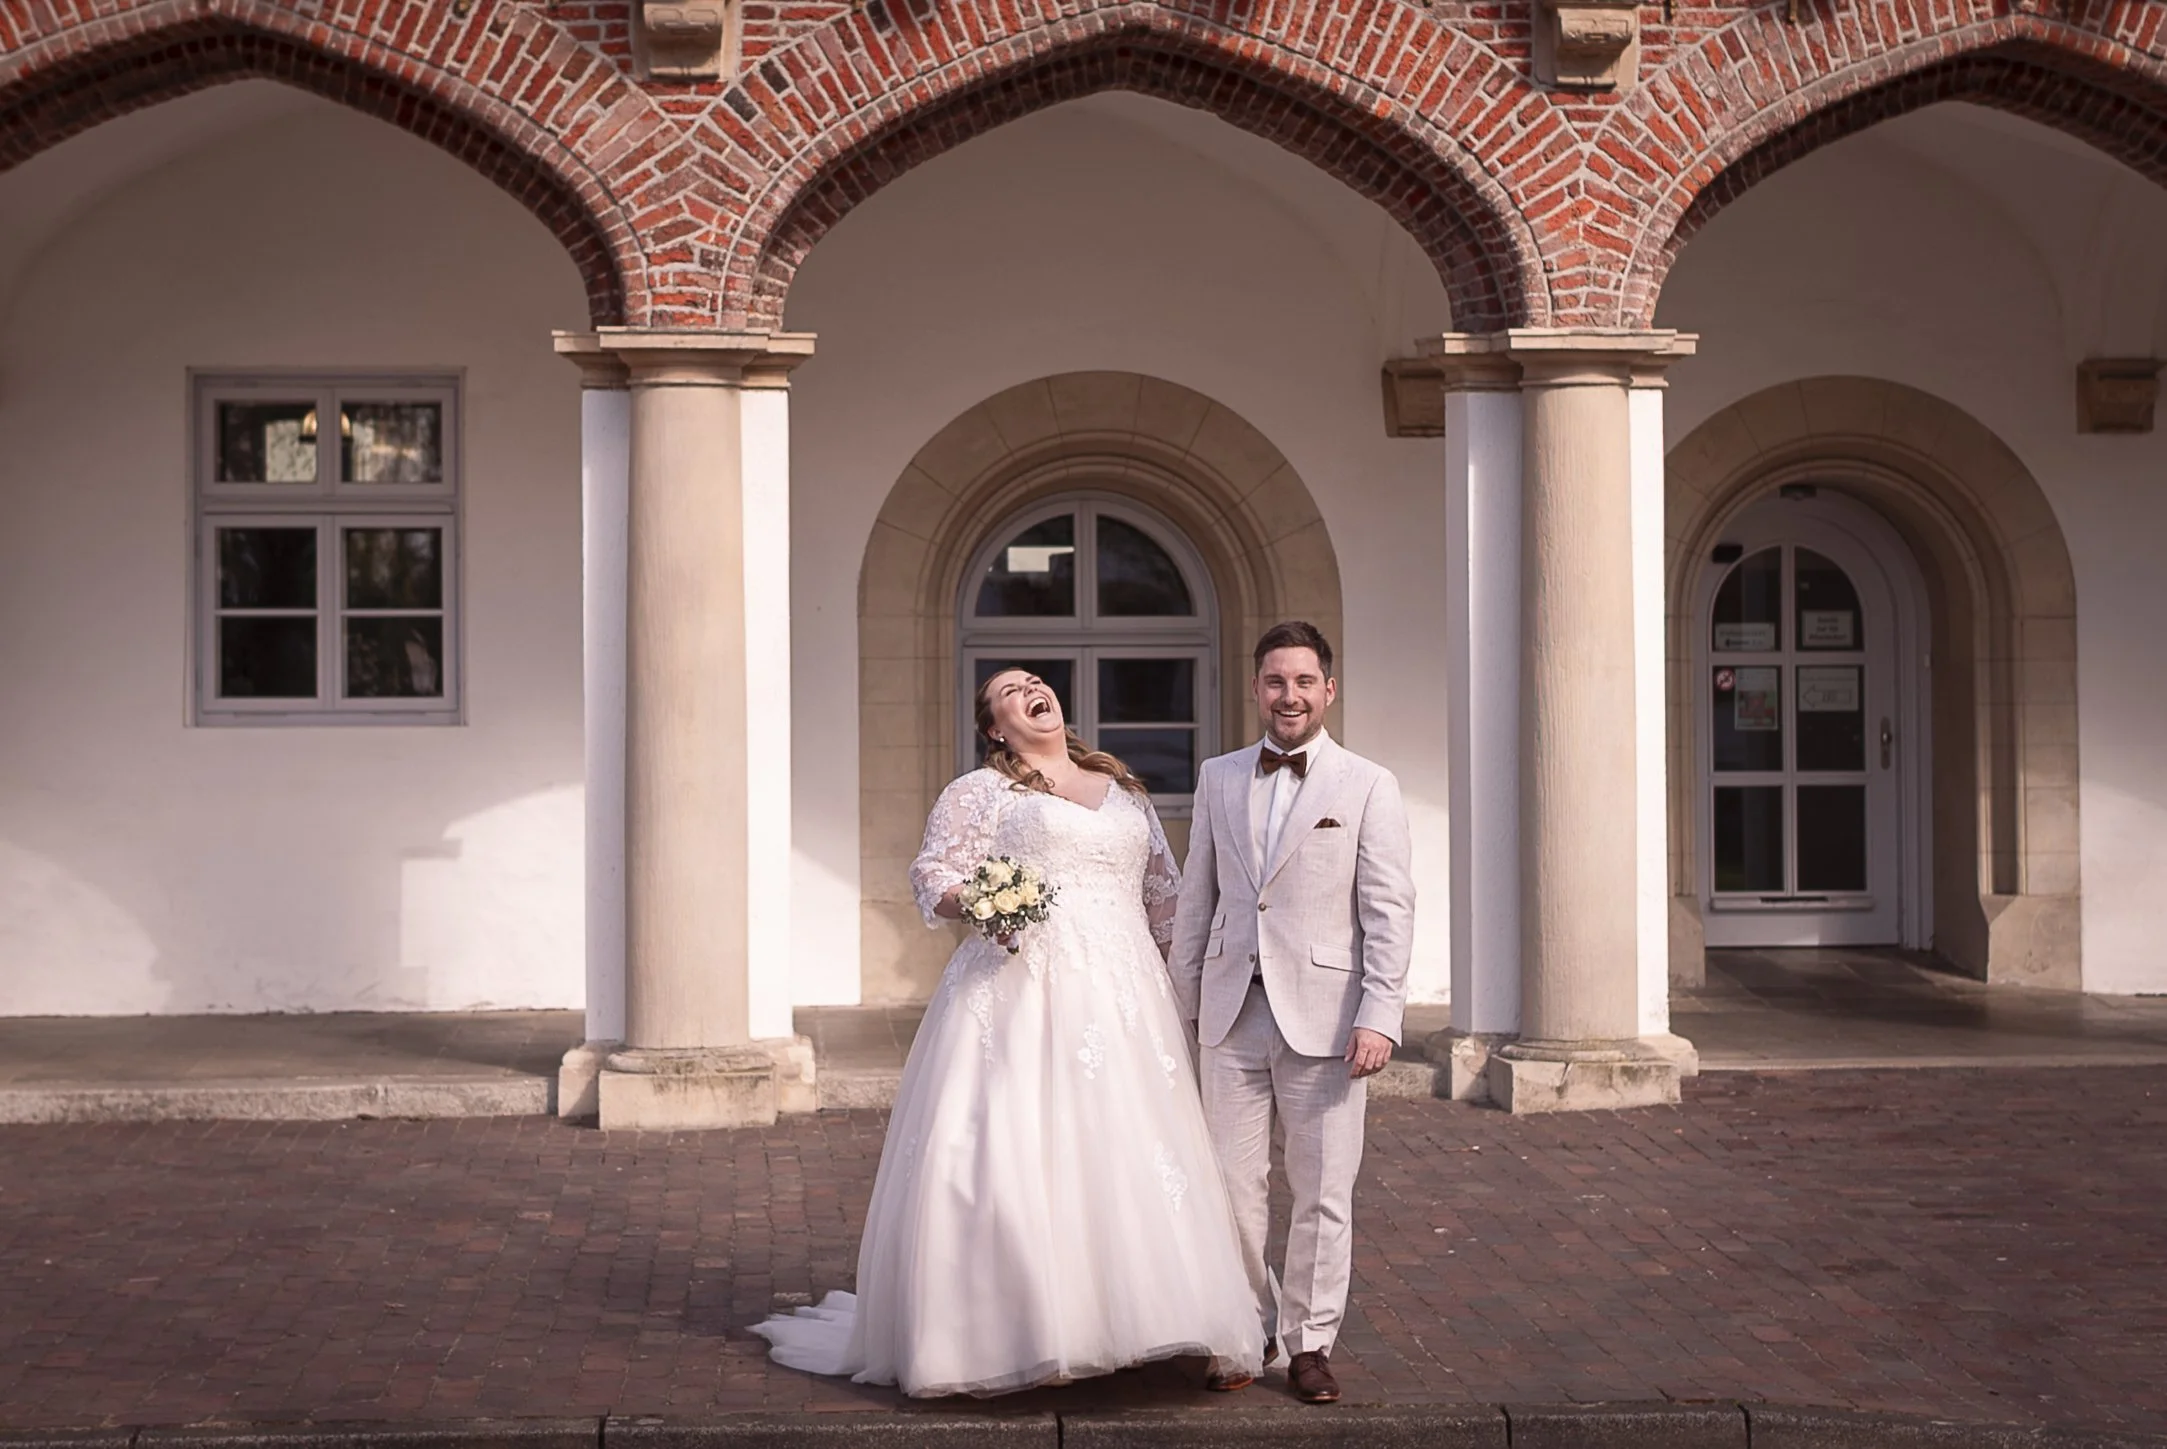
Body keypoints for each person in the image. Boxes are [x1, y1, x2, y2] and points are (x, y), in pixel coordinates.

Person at [750, 668, 1264, 1397]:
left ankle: (1150, 1317)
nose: (1031, 688)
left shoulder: (1124, 792)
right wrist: (981, 900)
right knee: (1022, 1150)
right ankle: (1028, 1326)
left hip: (1125, 998)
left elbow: (1166, 902)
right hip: (1023, 988)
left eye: (1034, 680)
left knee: (1130, 1150)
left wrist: (1188, 998)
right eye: (1008, 689)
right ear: (996, 727)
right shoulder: (980, 792)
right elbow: (932, 874)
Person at [1168, 621, 1415, 1404]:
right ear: (1256, 687)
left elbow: (1387, 909)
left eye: (1303, 681)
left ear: (1328, 690)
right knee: (1230, 1186)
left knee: (1321, 1190)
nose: (1289, 695)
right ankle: (1247, 1326)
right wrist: (1178, 1011)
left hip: (1329, 1018)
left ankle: (1309, 1343)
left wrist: (1379, 1013)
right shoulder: (1218, 775)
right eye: (1275, 681)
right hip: (1228, 1012)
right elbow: (1195, 902)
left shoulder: (1368, 783)